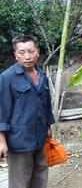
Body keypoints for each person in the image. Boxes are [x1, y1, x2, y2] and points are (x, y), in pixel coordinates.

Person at [0, 35, 55, 188]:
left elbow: (46, 105)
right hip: (19, 141)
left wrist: (49, 127)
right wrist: (1, 141)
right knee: (20, 182)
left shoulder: (42, 76)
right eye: (22, 52)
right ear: (15, 55)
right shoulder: (7, 78)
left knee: (40, 176)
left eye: (31, 51)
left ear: (37, 52)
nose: (27, 56)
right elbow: (1, 111)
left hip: (40, 136)